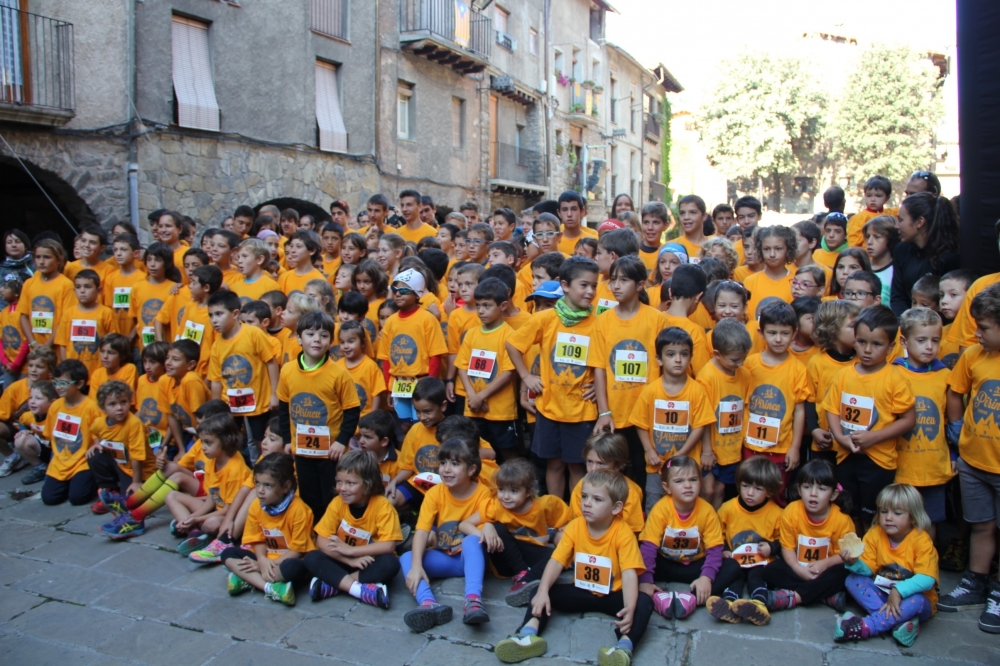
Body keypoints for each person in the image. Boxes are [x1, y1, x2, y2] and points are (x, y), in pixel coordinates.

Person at [492, 469, 653, 666]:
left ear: (616, 507)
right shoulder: (575, 526)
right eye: (584, 496)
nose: (587, 503)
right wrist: (543, 591)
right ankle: (527, 634)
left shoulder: (623, 533)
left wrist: (629, 607)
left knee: (643, 602)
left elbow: (629, 574)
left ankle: (623, 648)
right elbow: (556, 561)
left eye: (597, 499)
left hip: (613, 594)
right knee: (539, 590)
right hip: (582, 590)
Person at [508, 257, 600, 500]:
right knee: (555, 465)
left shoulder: (598, 324)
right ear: (565, 285)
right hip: (549, 409)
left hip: (582, 411)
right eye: (584, 285)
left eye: (594, 285)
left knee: (577, 467)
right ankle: (557, 515)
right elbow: (514, 345)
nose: (590, 291)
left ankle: (577, 517)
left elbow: (604, 363)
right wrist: (526, 377)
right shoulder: (545, 319)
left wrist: (599, 389)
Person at [940, 283, 1000, 631]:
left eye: (985, 328)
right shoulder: (973, 356)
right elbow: (956, 392)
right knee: (981, 525)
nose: (976, 333)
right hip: (974, 462)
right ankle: (975, 581)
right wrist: (958, 429)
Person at [824, 305, 915, 531]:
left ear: (891, 346)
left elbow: (908, 420)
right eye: (862, 342)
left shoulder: (895, 379)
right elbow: (832, 409)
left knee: (872, 515)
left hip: (878, 461)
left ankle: (871, 556)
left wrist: (874, 437)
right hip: (845, 456)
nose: (867, 350)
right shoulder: (844, 375)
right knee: (847, 511)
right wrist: (840, 438)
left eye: (876, 344)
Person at [400, 438, 493, 631]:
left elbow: (484, 531)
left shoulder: (483, 493)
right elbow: (422, 531)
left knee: (472, 541)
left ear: (471, 470)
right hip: (447, 558)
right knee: (408, 557)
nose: (446, 469)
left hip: (473, 557)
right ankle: (428, 603)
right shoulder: (434, 494)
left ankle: (473, 600)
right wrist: (417, 566)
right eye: (443, 463)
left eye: (455, 464)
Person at [276, 310, 361, 520]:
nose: (317, 340)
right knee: (308, 495)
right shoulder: (287, 370)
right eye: (310, 334)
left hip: (331, 452)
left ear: (331, 342)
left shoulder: (339, 374)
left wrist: (341, 441)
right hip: (302, 450)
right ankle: (314, 535)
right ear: (298, 338)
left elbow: (352, 411)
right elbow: (283, 408)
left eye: (323, 335)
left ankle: (332, 534)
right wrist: (287, 440)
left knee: (332, 496)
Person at [294, 449, 401, 607]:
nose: (342, 488)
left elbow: (389, 545)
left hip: (368, 561)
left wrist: (352, 552)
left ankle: (334, 583)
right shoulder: (337, 503)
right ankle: (359, 590)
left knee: (390, 564)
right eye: (339, 481)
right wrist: (349, 560)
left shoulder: (383, 506)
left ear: (368, 484)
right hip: (342, 559)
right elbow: (322, 540)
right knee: (311, 557)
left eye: (350, 483)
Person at [639, 455, 739, 623]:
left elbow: (714, 550)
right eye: (679, 481)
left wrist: (706, 578)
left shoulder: (707, 511)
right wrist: (646, 580)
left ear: (700, 482)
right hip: (665, 563)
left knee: (732, 566)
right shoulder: (661, 509)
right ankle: (657, 596)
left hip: (694, 566)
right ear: (667, 487)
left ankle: (691, 598)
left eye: (693, 480)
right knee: (637, 554)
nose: (687, 486)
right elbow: (649, 547)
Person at [836, 484, 939, 647]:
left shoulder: (921, 540)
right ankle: (897, 623)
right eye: (884, 511)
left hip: (913, 599)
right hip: (883, 594)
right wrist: (854, 562)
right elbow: (868, 568)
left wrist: (899, 591)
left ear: (913, 517)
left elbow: (927, 579)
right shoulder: (875, 533)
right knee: (852, 579)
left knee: (918, 601)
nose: (888, 517)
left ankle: (867, 626)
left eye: (897, 513)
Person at [459, 458, 571, 605]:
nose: (505, 496)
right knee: (498, 527)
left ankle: (525, 583)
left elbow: (569, 522)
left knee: (557, 556)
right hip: (506, 560)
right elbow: (464, 525)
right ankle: (523, 574)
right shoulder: (496, 507)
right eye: (501, 490)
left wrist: (565, 529)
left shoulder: (544, 505)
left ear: (529, 492)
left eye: (514, 491)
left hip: (532, 553)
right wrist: (486, 530)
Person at [628, 328, 713, 510]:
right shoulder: (651, 391)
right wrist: (649, 450)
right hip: (656, 465)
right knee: (654, 505)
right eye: (671, 354)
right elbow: (640, 423)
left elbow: (700, 426)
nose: (678, 359)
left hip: (687, 466)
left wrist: (682, 453)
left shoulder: (697, 391)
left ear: (690, 358)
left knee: (687, 507)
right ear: (659, 359)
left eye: (684, 354)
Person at [892, 307, 953, 542]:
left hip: (933, 467)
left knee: (929, 522)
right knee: (897, 521)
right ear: (904, 341)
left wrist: (954, 456)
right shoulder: (893, 373)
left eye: (935, 340)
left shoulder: (944, 375)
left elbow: (950, 420)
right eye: (922, 340)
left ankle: (925, 569)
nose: (929, 346)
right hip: (901, 466)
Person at [221, 453, 314, 606]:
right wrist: (262, 560)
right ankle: (269, 587)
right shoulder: (256, 505)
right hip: (264, 559)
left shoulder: (299, 510)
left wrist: (262, 565)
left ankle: (248, 578)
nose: (260, 490)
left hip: (286, 560)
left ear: (286, 486)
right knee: (228, 553)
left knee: (295, 568)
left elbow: (297, 550)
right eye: (257, 483)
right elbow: (256, 539)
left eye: (268, 485)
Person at [760, 459, 853, 613]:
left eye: (822, 489)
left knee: (845, 573)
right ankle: (825, 596)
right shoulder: (791, 511)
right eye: (807, 487)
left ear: (833, 494)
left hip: (826, 570)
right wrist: (798, 569)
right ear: (799, 488)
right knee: (770, 571)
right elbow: (787, 548)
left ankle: (794, 597)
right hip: (799, 567)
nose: (813, 494)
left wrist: (824, 564)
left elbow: (843, 555)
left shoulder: (842, 520)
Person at [709, 456, 784, 625]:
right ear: (739, 484)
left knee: (757, 578)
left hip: (761, 562)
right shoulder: (727, 508)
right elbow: (716, 533)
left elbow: (785, 541)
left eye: (758, 489)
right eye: (745, 486)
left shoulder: (777, 513)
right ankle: (728, 605)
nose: (750, 493)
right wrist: (724, 549)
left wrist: (772, 547)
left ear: (769, 491)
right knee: (733, 576)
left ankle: (759, 605)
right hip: (735, 560)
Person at [206, 290, 279, 457]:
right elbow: (216, 380)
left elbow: (271, 362)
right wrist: (217, 409)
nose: (214, 320)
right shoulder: (217, 345)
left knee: (261, 441)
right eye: (211, 315)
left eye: (219, 314)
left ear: (235, 314)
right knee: (229, 442)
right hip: (230, 405)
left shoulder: (253, 334)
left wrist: (274, 394)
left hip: (258, 402)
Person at [455, 278, 519, 460]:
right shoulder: (472, 334)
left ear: (503, 306)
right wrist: (472, 397)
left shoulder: (509, 335)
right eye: (478, 305)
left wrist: (481, 396)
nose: (481, 311)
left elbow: (508, 373)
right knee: (476, 452)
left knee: (507, 453)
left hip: (500, 410)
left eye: (487, 306)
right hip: (474, 407)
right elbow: (462, 367)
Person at [695, 319, 753, 508]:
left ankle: (716, 532)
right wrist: (706, 451)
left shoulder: (744, 374)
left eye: (743, 358)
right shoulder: (707, 377)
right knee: (707, 490)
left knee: (720, 490)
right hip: (709, 449)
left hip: (731, 448)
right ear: (717, 354)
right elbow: (702, 418)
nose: (740, 364)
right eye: (735, 360)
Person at [377, 268, 447, 424]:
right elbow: (386, 358)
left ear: (417, 294)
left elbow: (435, 356)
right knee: (404, 425)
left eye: (403, 290)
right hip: (398, 384)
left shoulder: (427, 319)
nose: (398, 294)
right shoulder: (390, 322)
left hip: (421, 382)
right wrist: (389, 388)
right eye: (395, 290)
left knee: (422, 424)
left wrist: (431, 387)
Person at [805, 301, 860, 466]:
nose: (859, 331)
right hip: (826, 443)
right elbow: (810, 399)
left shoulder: (863, 361)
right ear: (833, 330)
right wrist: (814, 429)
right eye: (852, 326)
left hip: (855, 443)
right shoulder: (817, 362)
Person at [85, 380, 155, 508]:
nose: (119, 408)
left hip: (140, 470)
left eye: (123, 402)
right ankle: (109, 489)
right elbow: (94, 432)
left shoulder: (134, 423)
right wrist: (96, 443)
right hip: (120, 463)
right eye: (112, 404)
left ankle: (128, 491)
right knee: (94, 454)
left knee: (131, 502)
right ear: (103, 408)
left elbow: (137, 456)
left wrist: (137, 482)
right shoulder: (99, 422)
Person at [41, 359, 102, 505]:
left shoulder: (91, 407)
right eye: (55, 383)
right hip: (60, 461)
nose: (58, 387)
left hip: (82, 462)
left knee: (78, 498)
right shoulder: (55, 406)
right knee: (49, 498)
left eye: (63, 383)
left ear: (79, 384)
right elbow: (50, 436)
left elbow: (99, 439)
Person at [890, 193, 960, 317]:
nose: (896, 226)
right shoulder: (901, 250)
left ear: (919, 222)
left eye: (901, 220)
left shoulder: (950, 257)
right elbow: (898, 296)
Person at [567, 432, 646, 535]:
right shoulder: (582, 484)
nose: (593, 469)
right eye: (590, 461)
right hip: (585, 536)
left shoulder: (630, 490)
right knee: (560, 537)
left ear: (617, 465)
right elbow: (575, 521)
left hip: (616, 540)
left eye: (601, 463)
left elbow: (632, 530)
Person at [17, 239, 74, 352]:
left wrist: (47, 346)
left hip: (55, 350)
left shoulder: (66, 285)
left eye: (47, 257)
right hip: (34, 349)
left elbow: (66, 320)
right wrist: (33, 343)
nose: (41, 262)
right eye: (38, 257)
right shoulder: (29, 283)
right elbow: (23, 316)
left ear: (58, 260)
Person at [54, 270, 115, 376]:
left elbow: (113, 344)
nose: (82, 291)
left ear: (99, 290)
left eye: (87, 287)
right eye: (78, 287)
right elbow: (63, 344)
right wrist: (66, 368)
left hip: (98, 371)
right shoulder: (68, 313)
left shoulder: (106, 313)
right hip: (72, 372)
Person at [446, 263, 485, 409]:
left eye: (469, 284)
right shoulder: (456, 315)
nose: (463, 289)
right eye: (460, 284)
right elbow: (453, 351)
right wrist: (450, 379)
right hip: (462, 384)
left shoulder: (489, 313)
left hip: (487, 380)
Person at [130, 242, 180, 350]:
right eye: (149, 259)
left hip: (167, 348)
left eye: (157, 260)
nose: (152, 264)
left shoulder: (174, 289)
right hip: (144, 348)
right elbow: (135, 318)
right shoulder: (137, 287)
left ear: (167, 263)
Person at [10, 380, 58, 484]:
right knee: (20, 440)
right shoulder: (28, 415)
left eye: (38, 398)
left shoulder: (58, 417)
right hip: (44, 449)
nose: (32, 401)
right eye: (31, 397)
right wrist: (24, 431)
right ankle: (41, 468)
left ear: (53, 402)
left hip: (59, 452)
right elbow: (22, 421)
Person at [744, 226, 796, 319]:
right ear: (760, 250)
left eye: (778, 249)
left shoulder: (795, 282)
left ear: (788, 249)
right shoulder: (750, 281)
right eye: (767, 249)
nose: (772, 254)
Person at [337, 320, 386, 417]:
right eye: (342, 342)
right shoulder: (337, 366)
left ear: (363, 342)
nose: (345, 346)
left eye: (351, 341)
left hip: (364, 421)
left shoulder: (370, 366)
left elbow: (376, 394)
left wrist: (372, 417)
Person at [103, 234, 144, 337]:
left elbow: (142, 314)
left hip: (136, 338)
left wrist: (130, 337)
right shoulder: (110, 279)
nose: (118, 254)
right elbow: (108, 309)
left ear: (136, 253)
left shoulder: (143, 278)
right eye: (115, 250)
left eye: (123, 250)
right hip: (115, 338)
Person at [847, 175, 897, 248]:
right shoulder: (858, 219)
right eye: (869, 195)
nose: (873, 199)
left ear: (887, 198)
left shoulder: (891, 214)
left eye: (878, 196)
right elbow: (853, 245)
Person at [863, 216, 900, 305]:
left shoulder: (897, 270)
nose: (870, 241)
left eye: (877, 237)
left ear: (891, 239)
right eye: (868, 236)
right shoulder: (861, 266)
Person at [232, 238, 280, 305]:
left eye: (244, 256)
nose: (239, 261)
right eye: (239, 257)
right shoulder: (234, 286)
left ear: (260, 259)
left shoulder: (271, 287)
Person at [89, 333, 137, 398]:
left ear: (122, 356)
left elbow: (126, 399)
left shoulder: (129, 369)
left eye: (111, 353)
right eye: (102, 351)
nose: (105, 356)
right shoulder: (97, 374)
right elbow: (94, 402)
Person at [278, 230, 325, 296]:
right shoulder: (284, 277)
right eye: (291, 246)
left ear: (312, 250)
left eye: (298, 246)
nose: (293, 250)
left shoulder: (320, 280)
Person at [556, 191, 597, 256]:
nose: (569, 214)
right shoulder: (553, 241)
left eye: (574, 209)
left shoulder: (593, 241)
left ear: (582, 211)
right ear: (559, 213)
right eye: (565, 210)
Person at [674, 195, 712, 260]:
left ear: (704, 216)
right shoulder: (672, 247)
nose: (686, 217)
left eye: (692, 212)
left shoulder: (714, 247)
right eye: (682, 213)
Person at [789, 297, 821, 364]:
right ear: (795, 322)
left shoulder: (823, 350)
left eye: (820, 318)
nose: (818, 322)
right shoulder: (780, 344)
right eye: (812, 318)